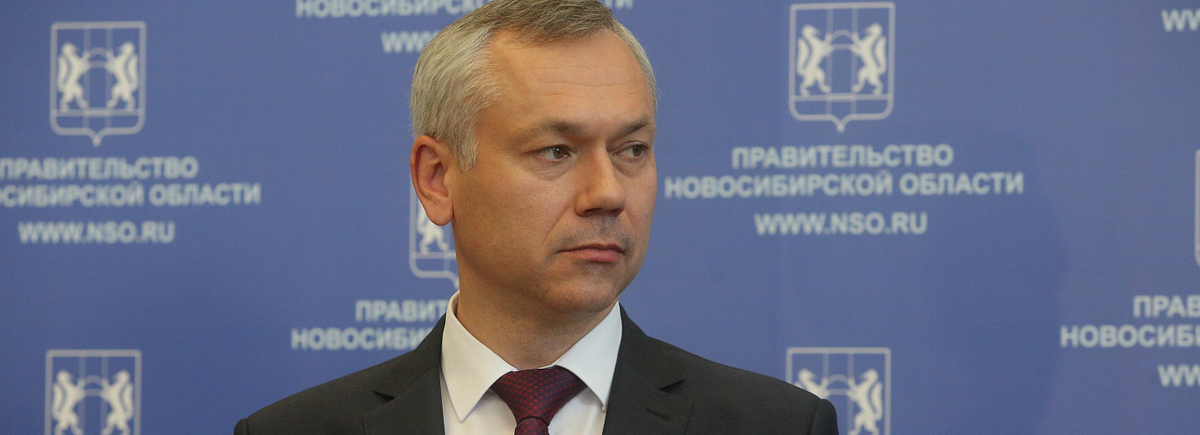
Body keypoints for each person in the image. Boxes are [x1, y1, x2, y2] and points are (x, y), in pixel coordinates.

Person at [235, 1, 837, 433]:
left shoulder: (778, 424)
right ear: (437, 178)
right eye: (556, 151)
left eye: (632, 150)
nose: (608, 192)